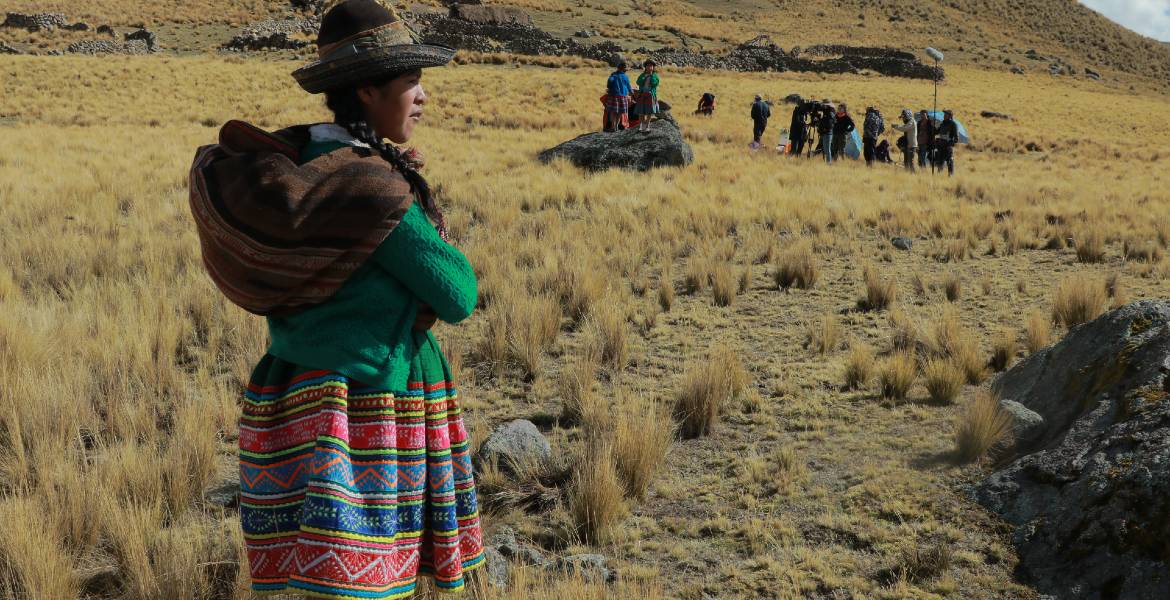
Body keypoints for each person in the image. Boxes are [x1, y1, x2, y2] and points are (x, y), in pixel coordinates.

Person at [188, 1, 484, 597]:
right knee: (368, 580)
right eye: (411, 82)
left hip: (297, 392)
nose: (423, 96)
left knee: (317, 578)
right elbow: (458, 293)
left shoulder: (306, 168)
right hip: (368, 406)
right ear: (368, 90)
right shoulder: (370, 187)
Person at [604, 61, 632, 132]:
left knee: (614, 112)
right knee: (620, 112)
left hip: (614, 96)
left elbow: (610, 82)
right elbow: (628, 86)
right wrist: (631, 92)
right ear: (624, 70)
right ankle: (616, 125)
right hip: (623, 97)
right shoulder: (625, 77)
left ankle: (613, 126)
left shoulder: (614, 75)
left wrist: (610, 87)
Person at [634, 60, 660, 134]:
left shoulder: (655, 76)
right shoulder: (642, 75)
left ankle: (647, 126)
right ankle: (641, 126)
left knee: (649, 112)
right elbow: (638, 82)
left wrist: (651, 76)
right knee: (641, 112)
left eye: (651, 66)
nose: (649, 67)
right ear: (645, 67)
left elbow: (655, 84)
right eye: (648, 66)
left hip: (650, 95)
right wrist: (644, 77)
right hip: (642, 94)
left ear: (653, 67)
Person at [934, 109, 960, 176]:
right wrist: (933, 126)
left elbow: (956, 138)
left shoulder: (953, 124)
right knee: (940, 161)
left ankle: (950, 175)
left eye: (946, 114)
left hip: (948, 146)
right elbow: (936, 132)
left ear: (949, 116)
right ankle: (939, 175)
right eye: (944, 114)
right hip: (940, 145)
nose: (944, 116)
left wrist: (951, 143)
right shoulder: (942, 123)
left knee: (949, 160)